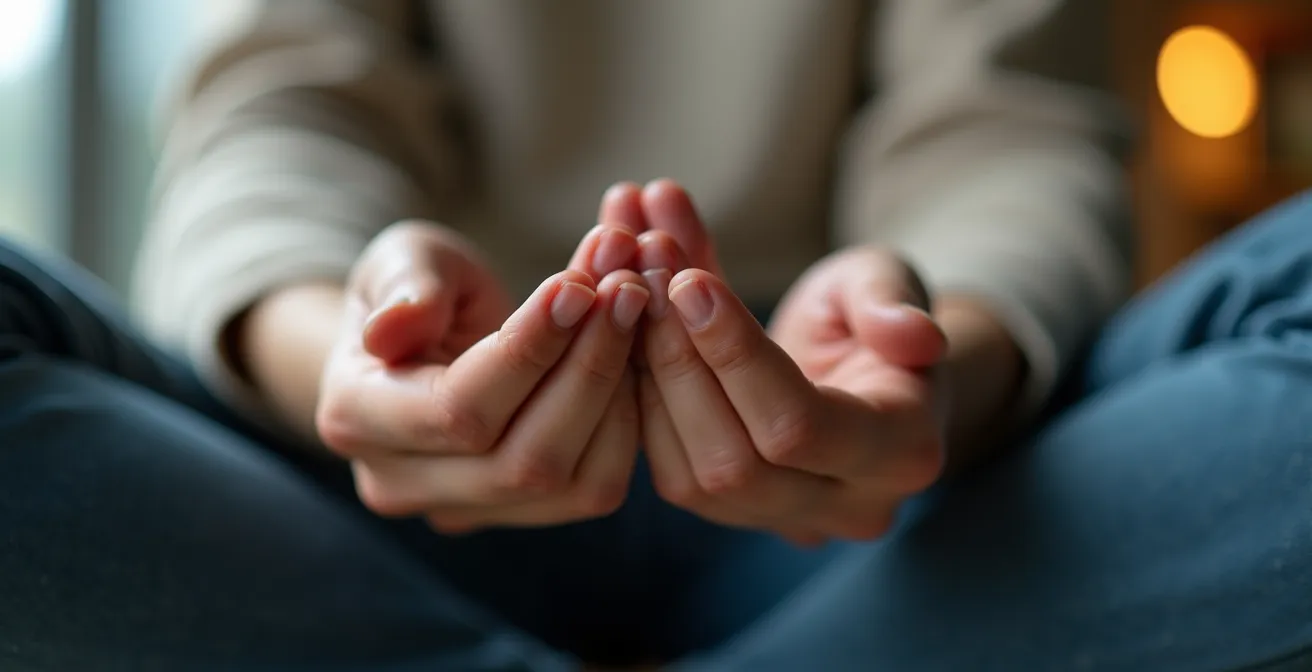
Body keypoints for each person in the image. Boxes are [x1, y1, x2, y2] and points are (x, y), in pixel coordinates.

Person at [1, 0, 1309, 670]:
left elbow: (1004, 135)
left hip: (873, 509)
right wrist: (348, 354)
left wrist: (926, 363)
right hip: (358, 498)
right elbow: (282, 111)